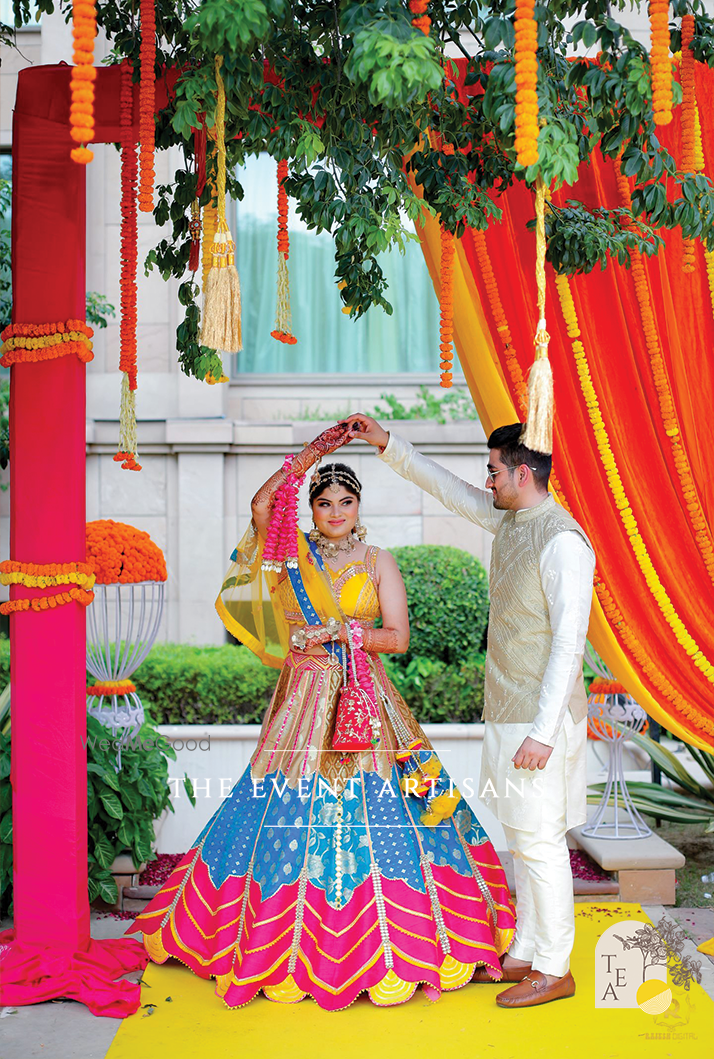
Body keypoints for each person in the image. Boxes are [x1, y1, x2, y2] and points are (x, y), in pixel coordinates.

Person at [127, 424, 516, 1011]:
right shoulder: (291, 552)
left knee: (393, 803)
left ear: (360, 505)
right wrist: (317, 452)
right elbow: (263, 503)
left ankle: (409, 933)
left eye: (346, 501)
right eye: (324, 502)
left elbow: (399, 636)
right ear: (310, 507)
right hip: (305, 700)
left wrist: (340, 631)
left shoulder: (380, 560)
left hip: (366, 698)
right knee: (282, 805)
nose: (335, 512)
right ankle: (269, 934)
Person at [346, 414, 595, 1009]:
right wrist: (389, 445)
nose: (486, 482)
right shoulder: (513, 521)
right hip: (507, 709)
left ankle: (556, 968)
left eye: (493, 471)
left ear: (523, 472)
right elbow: (449, 491)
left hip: (541, 720)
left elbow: (568, 643)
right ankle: (529, 951)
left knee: (540, 841)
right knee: (520, 835)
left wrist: (540, 732)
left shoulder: (562, 539)